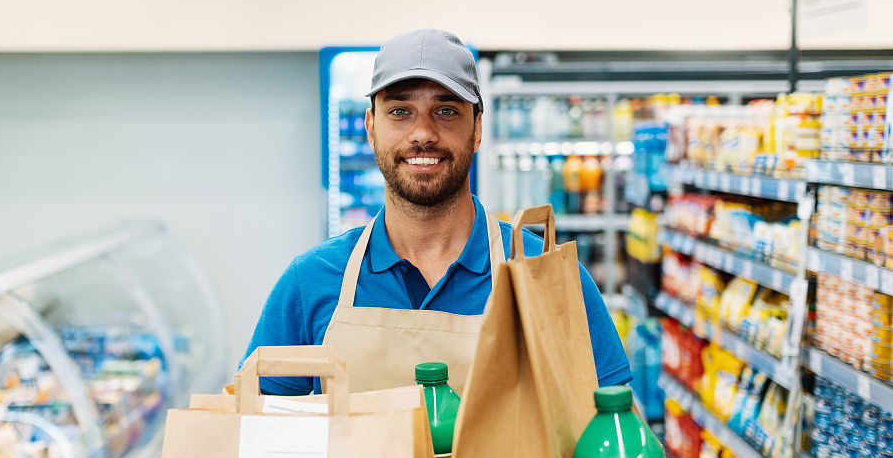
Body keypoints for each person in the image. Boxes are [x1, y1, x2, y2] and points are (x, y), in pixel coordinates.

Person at [242, 27, 631, 394]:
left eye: (446, 111)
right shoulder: (310, 282)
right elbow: (257, 434)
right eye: (400, 111)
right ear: (370, 126)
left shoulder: (547, 275)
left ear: (477, 128)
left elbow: (613, 437)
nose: (423, 132)